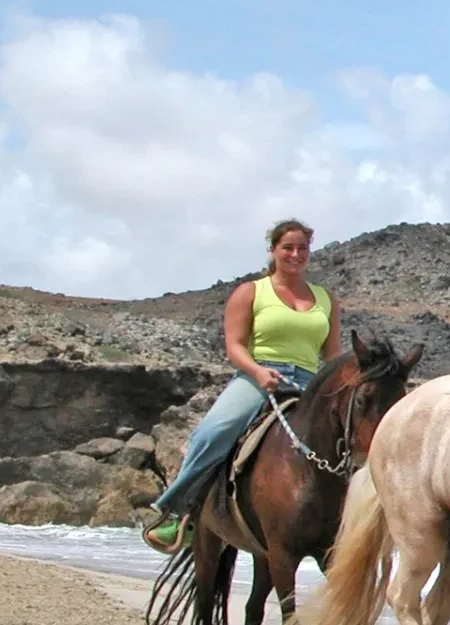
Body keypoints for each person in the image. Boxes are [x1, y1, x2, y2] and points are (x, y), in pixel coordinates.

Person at [141, 219, 341, 554]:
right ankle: (179, 513)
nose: (295, 254)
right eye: (287, 247)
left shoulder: (326, 299)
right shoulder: (251, 292)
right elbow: (234, 346)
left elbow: (332, 355)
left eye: (302, 248)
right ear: (273, 251)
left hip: (310, 383)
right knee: (212, 433)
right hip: (259, 376)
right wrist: (259, 372)